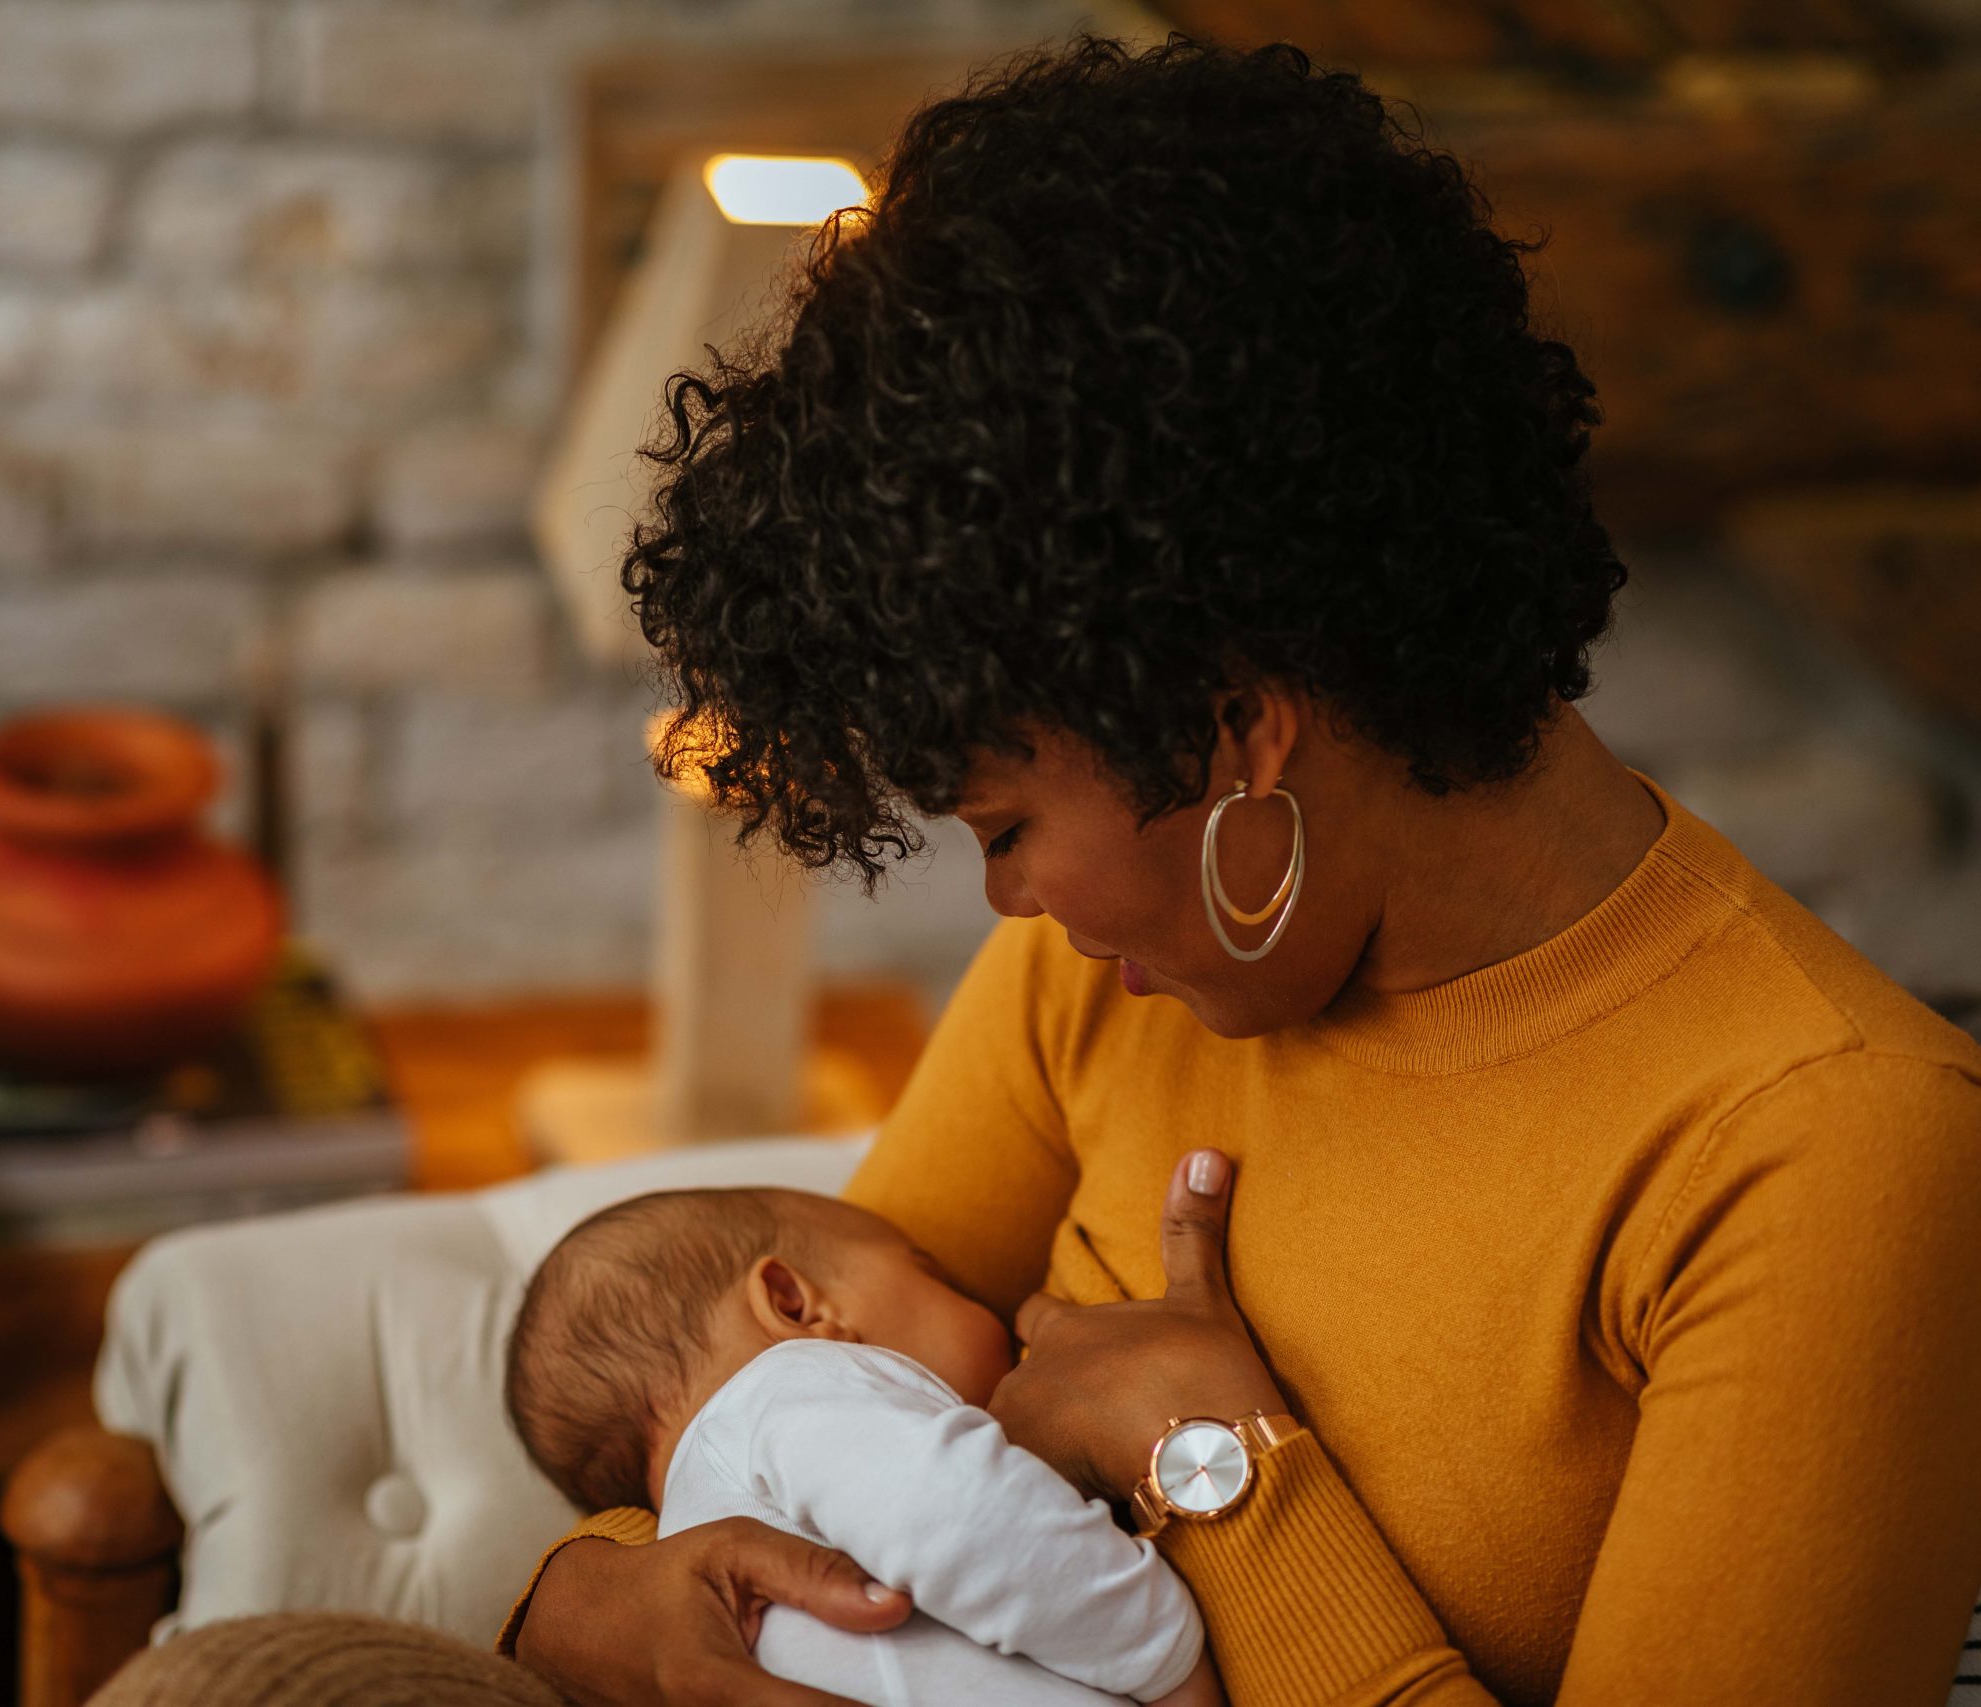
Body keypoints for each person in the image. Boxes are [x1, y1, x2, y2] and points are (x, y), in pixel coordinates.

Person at [499, 32, 1981, 1707]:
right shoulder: (1112, 984)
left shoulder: (1834, 1156)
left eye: (1005, 828)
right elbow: (748, 1385)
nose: (1010, 905)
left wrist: (1212, 1460)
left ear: (1232, 733)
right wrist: (581, 1596)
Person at [504, 1186, 1225, 1707]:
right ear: (797, 1305)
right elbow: (960, 1512)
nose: (995, 1311)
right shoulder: (786, 1384)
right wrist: (1161, 1650)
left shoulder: (696, 1548)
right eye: (933, 1273)